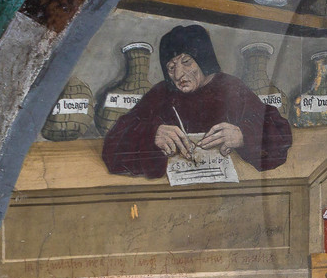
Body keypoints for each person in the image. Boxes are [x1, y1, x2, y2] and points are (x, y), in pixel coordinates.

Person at [101, 24, 293, 178]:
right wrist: (151, 134)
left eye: (186, 62)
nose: (178, 74)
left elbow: (280, 133)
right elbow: (113, 146)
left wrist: (244, 135)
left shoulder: (231, 87)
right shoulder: (161, 93)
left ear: (203, 59)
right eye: (171, 67)